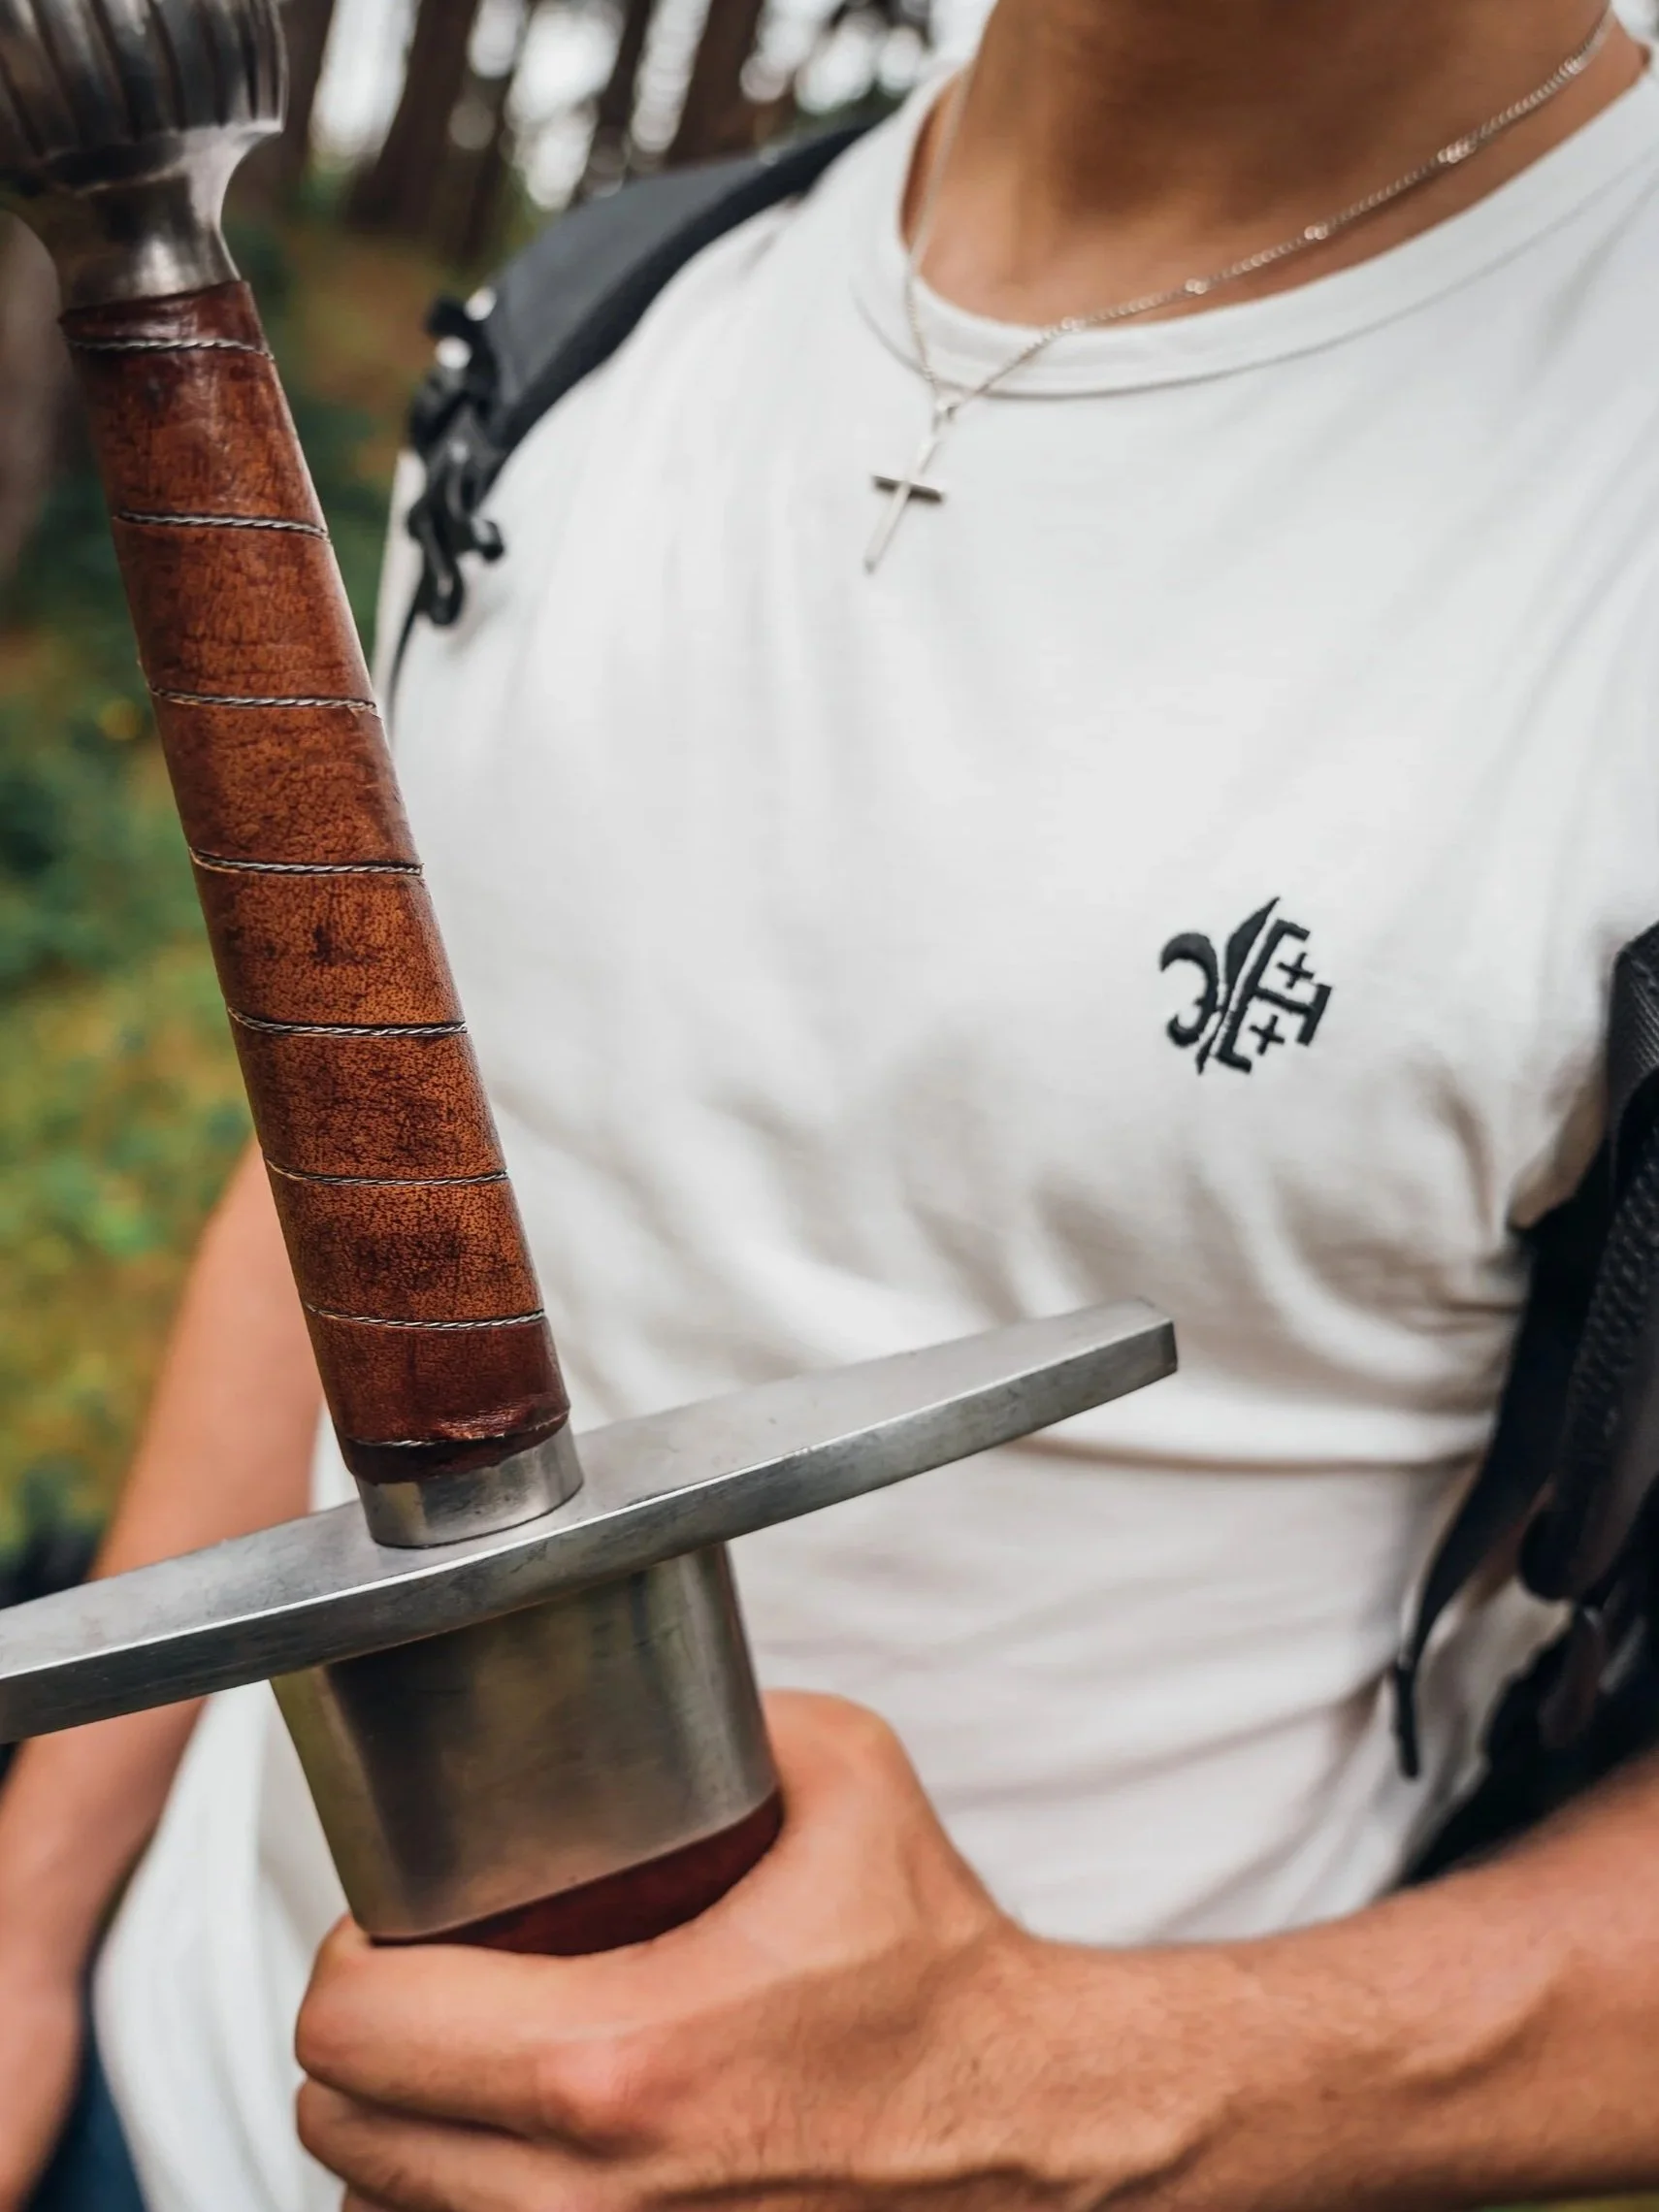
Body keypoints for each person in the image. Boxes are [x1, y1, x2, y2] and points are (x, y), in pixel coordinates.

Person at [7, 0, 1659, 2201]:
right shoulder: (604, 318)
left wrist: (1069, 2098)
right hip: (176, 2087)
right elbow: (352, 1165)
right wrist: (41, 1911)